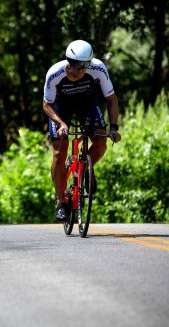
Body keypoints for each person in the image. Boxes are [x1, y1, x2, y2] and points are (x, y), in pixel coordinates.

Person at [42, 40, 121, 221]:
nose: (82, 72)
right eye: (78, 67)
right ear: (68, 63)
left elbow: (111, 99)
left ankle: (85, 168)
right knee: (59, 152)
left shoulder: (98, 68)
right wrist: (61, 124)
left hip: (86, 105)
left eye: (86, 67)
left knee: (101, 143)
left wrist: (114, 128)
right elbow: (46, 105)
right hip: (60, 108)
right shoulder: (55, 73)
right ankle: (61, 202)